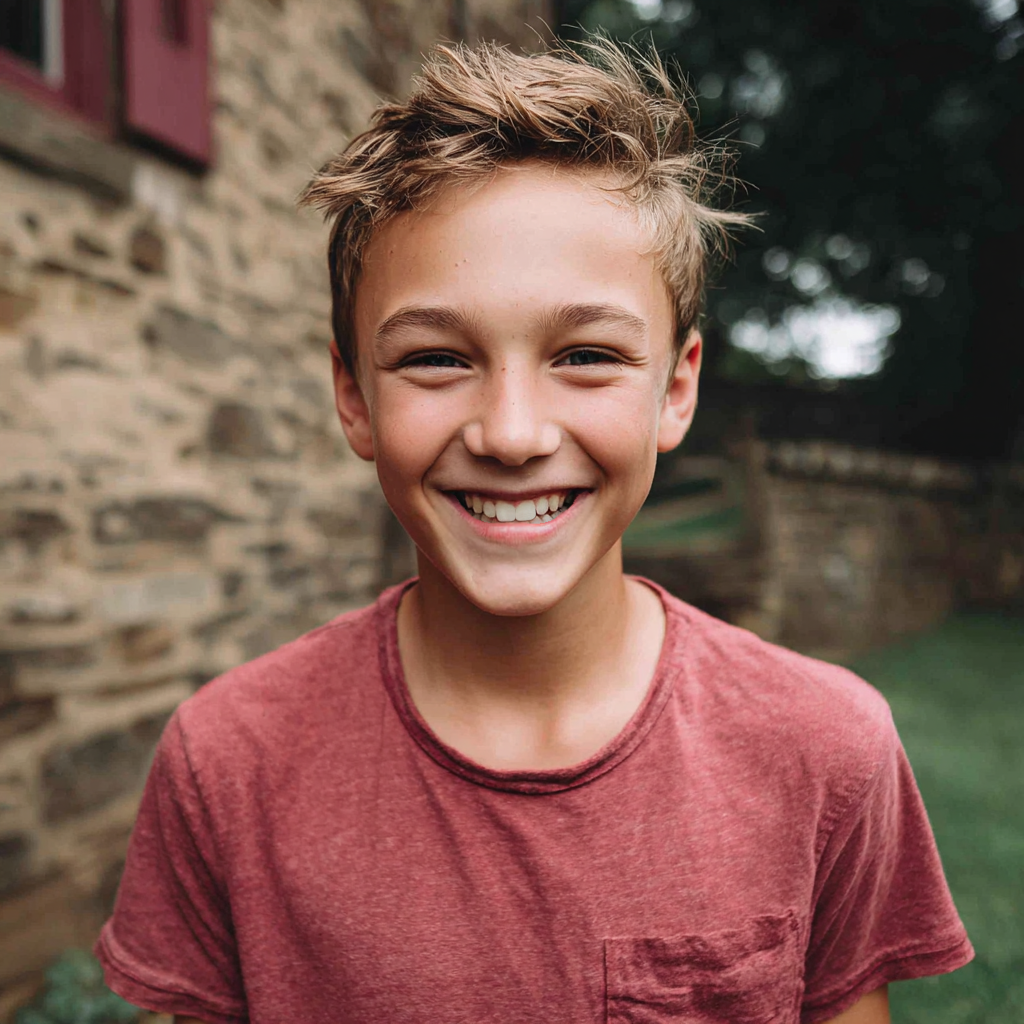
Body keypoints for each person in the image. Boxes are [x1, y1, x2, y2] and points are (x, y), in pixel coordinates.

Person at [94, 36, 974, 1024]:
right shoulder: (229, 762)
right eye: (434, 359)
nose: (511, 433)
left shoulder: (825, 750)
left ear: (675, 387)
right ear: (353, 396)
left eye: (586, 354)